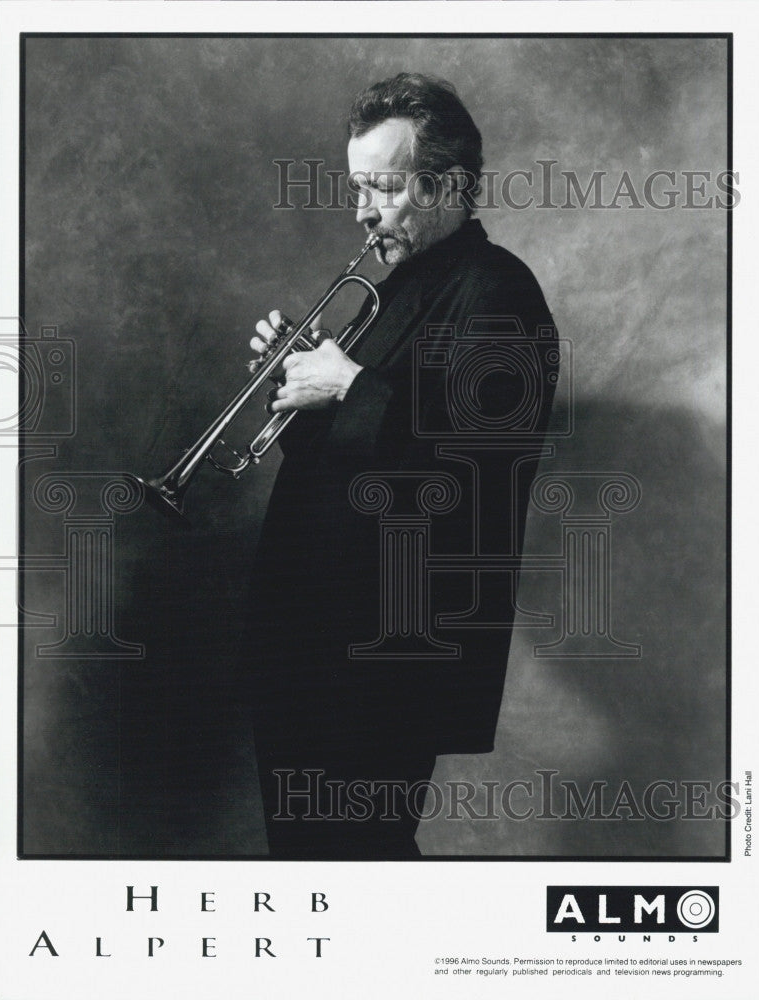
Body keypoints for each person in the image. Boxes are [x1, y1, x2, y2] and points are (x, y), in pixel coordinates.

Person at [243, 73, 558, 859]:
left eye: (380, 189)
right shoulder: (392, 293)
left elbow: (477, 470)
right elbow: (341, 458)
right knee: (309, 858)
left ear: (447, 184)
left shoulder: (498, 291)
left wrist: (349, 385)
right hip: (312, 643)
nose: (360, 211)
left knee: (356, 855)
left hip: (381, 659)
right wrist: (296, 380)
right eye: (356, 188)